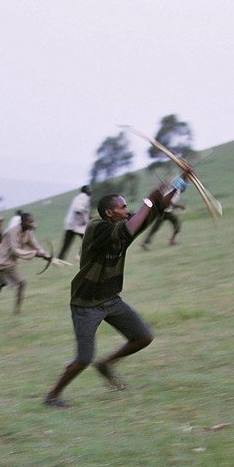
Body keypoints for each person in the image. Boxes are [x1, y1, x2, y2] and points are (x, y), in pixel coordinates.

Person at [43, 174, 190, 409]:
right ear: (110, 213)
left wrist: (181, 182)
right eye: (122, 207)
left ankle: (106, 365)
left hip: (110, 298)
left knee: (143, 337)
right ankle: (52, 395)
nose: (127, 210)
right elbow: (135, 223)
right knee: (83, 358)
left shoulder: (121, 226)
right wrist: (148, 201)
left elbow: (156, 208)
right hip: (86, 303)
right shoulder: (97, 228)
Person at [0, 212, 50, 318]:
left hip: (8, 261)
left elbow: (35, 245)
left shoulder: (28, 232)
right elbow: (16, 251)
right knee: (22, 283)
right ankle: (17, 313)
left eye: (32, 222)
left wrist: (44, 254)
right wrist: (35, 254)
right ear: (23, 222)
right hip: (3, 261)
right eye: (30, 222)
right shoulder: (13, 232)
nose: (32, 224)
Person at [58, 186, 92, 260]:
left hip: (70, 224)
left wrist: (88, 216)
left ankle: (59, 259)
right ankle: (80, 255)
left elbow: (82, 210)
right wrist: (84, 219)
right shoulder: (84, 197)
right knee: (89, 239)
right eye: (89, 189)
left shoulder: (78, 198)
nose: (90, 191)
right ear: (85, 191)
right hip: (77, 225)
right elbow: (78, 210)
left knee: (66, 244)